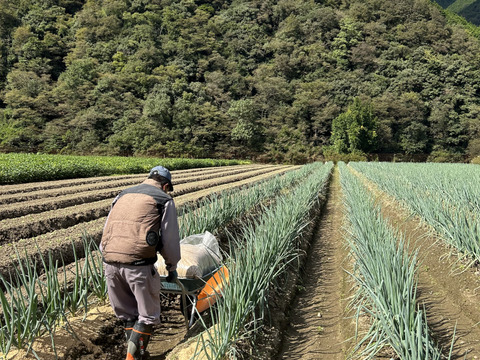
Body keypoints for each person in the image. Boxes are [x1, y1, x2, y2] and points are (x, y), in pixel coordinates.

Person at [100, 165, 181, 360]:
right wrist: (172, 266)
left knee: (128, 314)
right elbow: (169, 240)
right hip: (137, 265)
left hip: (109, 261)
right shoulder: (164, 199)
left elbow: (107, 229)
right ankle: (134, 357)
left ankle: (138, 355)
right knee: (148, 315)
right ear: (166, 186)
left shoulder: (122, 195)